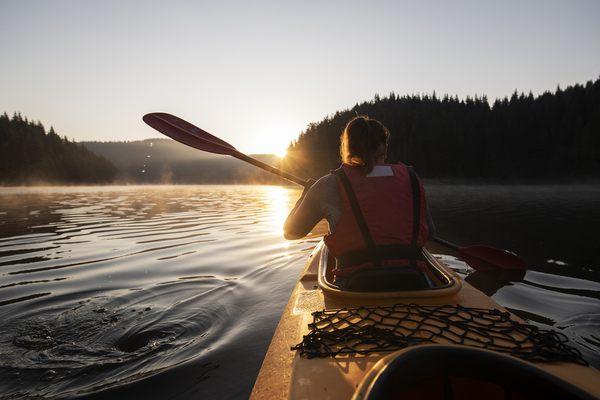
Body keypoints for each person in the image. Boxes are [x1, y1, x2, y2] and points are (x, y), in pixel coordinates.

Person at [283, 115, 435, 287]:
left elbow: (291, 232)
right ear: (384, 149)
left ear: (347, 149)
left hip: (354, 288)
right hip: (415, 284)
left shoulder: (328, 185)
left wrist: (306, 194)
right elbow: (430, 233)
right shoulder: (412, 178)